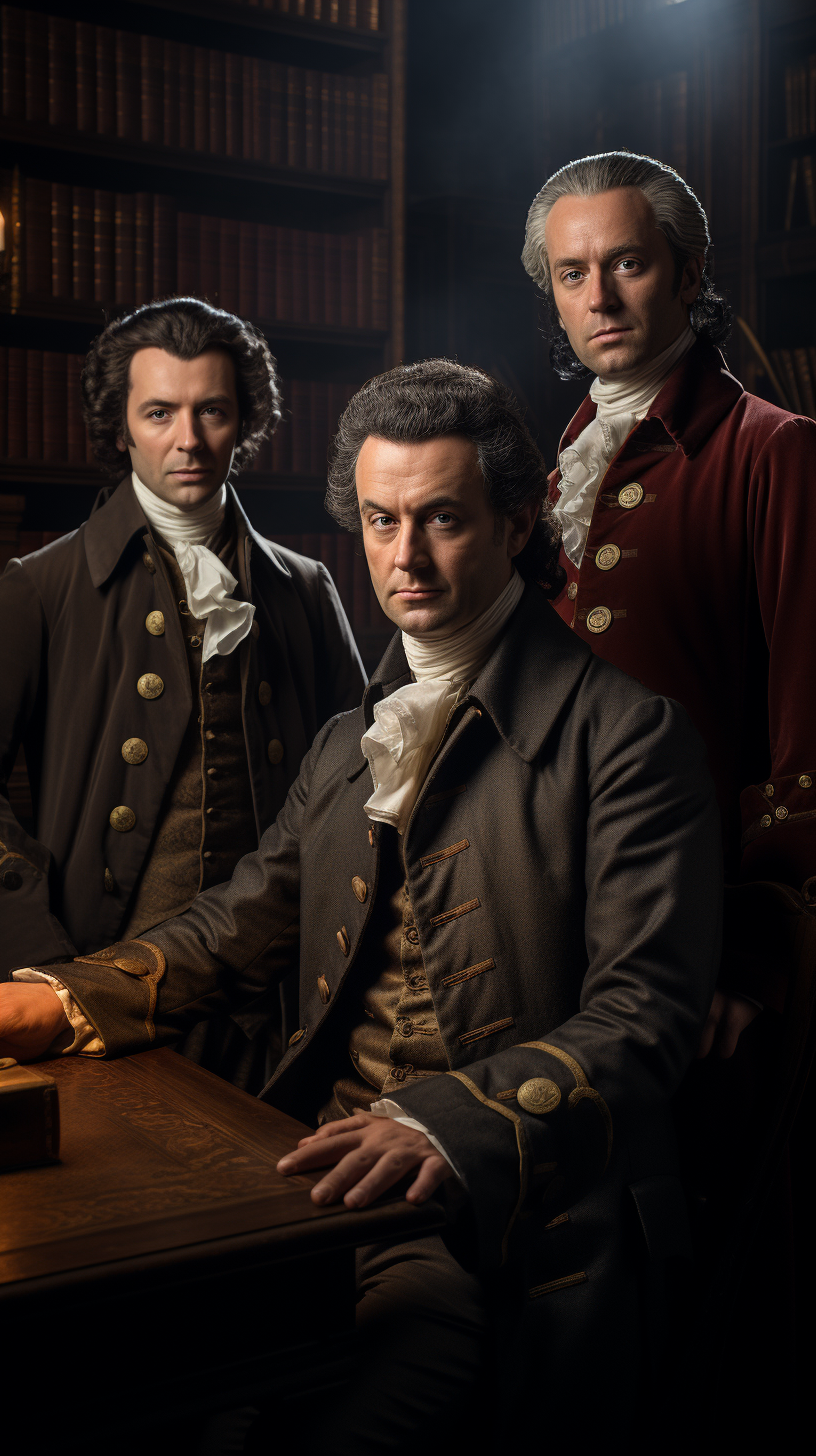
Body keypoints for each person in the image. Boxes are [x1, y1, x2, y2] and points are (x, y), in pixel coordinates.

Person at [0, 361, 721, 1450]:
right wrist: (58, 998)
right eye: (380, 520)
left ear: (519, 520)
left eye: (441, 519)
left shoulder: (629, 737)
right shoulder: (355, 738)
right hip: (306, 1174)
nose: (404, 557)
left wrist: (446, 1120)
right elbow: (245, 918)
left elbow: (646, 1020)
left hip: (499, 1209)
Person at [0, 297, 365, 1092]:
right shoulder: (41, 587)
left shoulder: (306, 589)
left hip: (274, 995)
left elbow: (359, 783)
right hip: (97, 983)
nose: (189, 440)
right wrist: (43, 958)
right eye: (160, 413)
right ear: (121, 424)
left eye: (213, 412)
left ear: (247, 421)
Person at [521, 150, 816, 1039]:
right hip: (550, 912)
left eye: (629, 263)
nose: (599, 297)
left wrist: (758, 954)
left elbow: (809, 716)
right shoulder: (554, 472)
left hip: (700, 933)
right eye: (573, 274)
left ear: (689, 275)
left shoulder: (779, 451)